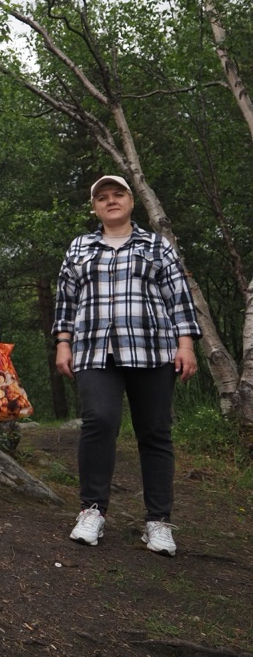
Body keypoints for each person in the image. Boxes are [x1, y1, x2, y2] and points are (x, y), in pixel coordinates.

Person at [55, 174, 200, 556]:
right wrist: (63, 344)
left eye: (117, 194)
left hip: (153, 350)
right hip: (93, 351)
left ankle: (158, 521)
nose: (111, 200)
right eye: (102, 197)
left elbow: (178, 298)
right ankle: (92, 510)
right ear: (95, 207)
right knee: (99, 421)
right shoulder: (80, 247)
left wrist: (186, 344)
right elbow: (66, 301)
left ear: (131, 201)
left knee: (154, 432)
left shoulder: (156, 246)